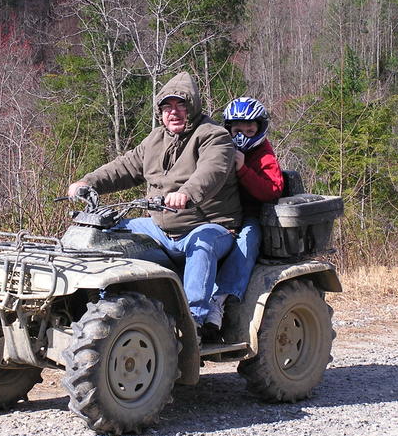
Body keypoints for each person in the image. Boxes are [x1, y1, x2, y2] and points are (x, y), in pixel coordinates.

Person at [67, 72, 243, 333]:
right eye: (167, 107)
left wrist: (187, 193)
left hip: (209, 224)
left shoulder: (213, 136)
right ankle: (96, 303)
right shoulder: (155, 139)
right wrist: (88, 182)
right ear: (160, 112)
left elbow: (211, 172)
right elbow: (124, 167)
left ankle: (193, 321)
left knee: (201, 245)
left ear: (192, 107)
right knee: (105, 233)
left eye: (181, 105)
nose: (174, 113)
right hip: (159, 228)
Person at [203, 97, 284, 338]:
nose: (243, 135)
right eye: (238, 129)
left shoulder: (264, 154)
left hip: (251, 215)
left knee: (246, 241)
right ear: (228, 128)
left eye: (250, 129)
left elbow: (272, 190)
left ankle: (219, 300)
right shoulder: (218, 147)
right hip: (218, 212)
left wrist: (243, 169)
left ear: (260, 128)